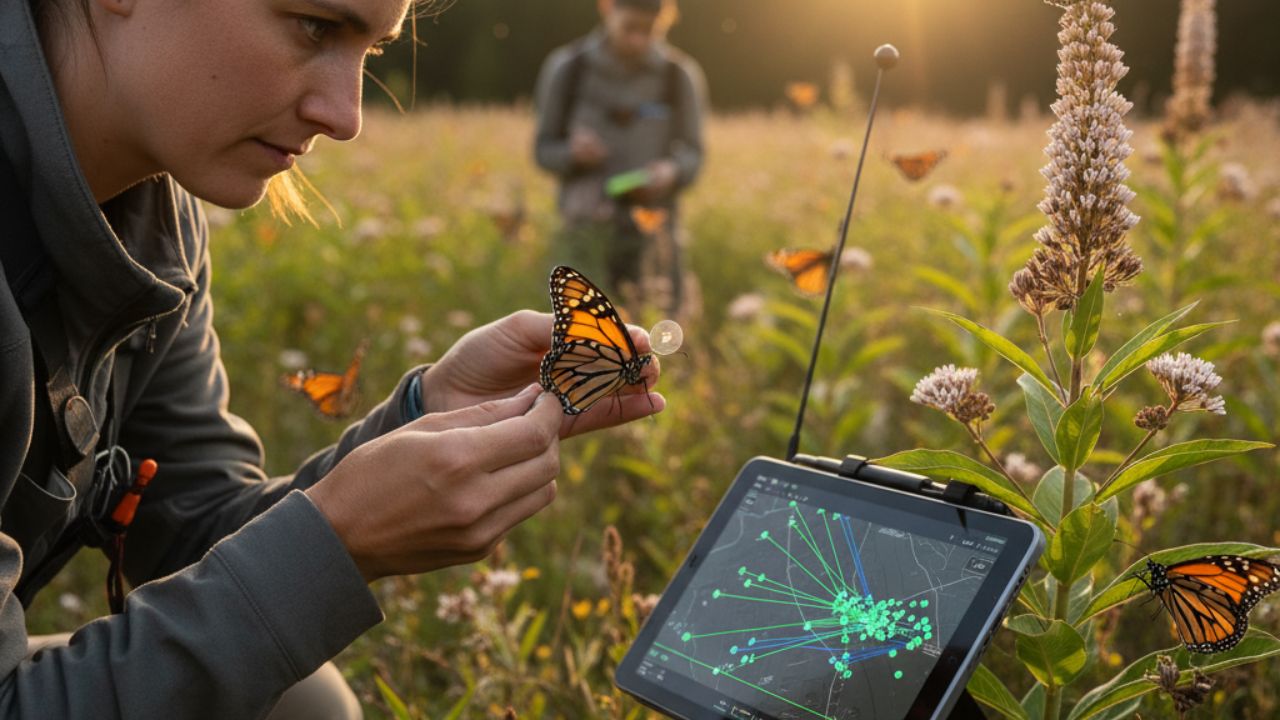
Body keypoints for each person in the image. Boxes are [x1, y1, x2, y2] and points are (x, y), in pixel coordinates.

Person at [0, 0, 663, 718]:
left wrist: (424, 415)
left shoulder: (157, 223)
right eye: (314, 26)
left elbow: (198, 528)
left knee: (306, 704)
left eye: (372, 52)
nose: (346, 116)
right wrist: (339, 539)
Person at [533, 0, 707, 318]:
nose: (639, 39)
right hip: (585, 241)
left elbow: (695, 155)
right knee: (584, 346)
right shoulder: (568, 69)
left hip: (654, 241)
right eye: (630, 28)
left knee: (660, 341)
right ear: (606, 8)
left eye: (651, 29)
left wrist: (672, 171)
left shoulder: (678, 75)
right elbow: (543, 151)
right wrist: (572, 154)